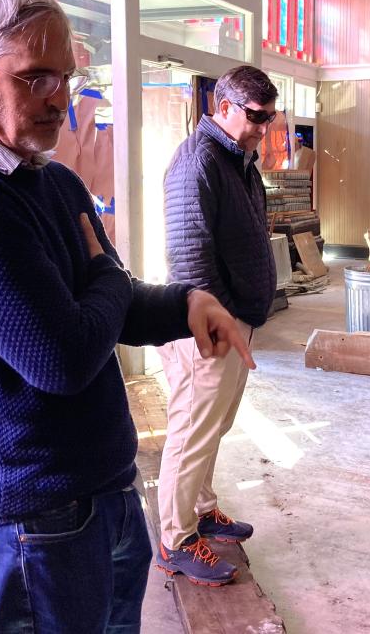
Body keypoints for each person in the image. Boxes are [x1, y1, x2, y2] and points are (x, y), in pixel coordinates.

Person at [0, 0, 253, 633]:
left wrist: (184, 303)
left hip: (100, 497)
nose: (60, 97)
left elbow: (108, 300)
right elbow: (62, 357)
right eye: (35, 78)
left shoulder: (50, 180)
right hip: (31, 525)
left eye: (66, 76)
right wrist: (102, 273)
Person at [154, 66, 278, 585]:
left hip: (234, 322)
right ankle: (176, 539)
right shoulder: (197, 163)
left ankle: (202, 510)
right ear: (223, 107)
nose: (263, 129)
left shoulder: (237, 159)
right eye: (255, 117)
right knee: (191, 430)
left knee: (214, 427)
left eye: (269, 118)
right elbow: (190, 260)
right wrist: (220, 325)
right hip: (209, 329)